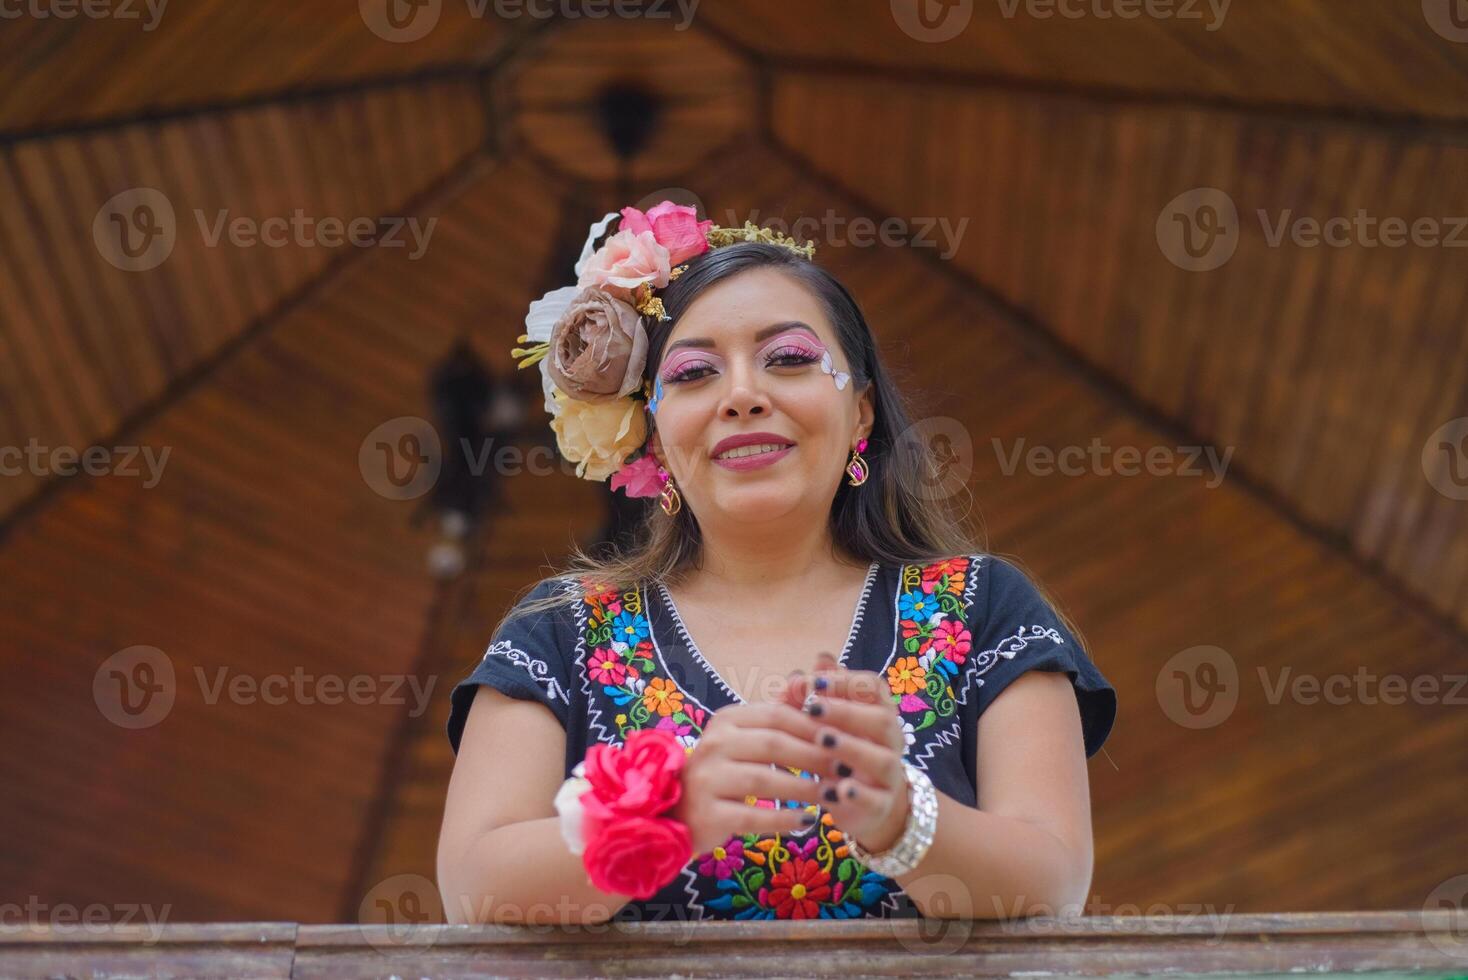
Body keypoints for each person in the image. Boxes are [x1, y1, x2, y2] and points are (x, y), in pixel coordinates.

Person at [437, 203, 1116, 925]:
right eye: (695, 373)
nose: (742, 396)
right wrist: (670, 816)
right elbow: (474, 888)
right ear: (656, 441)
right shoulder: (565, 629)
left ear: (861, 413)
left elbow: (1054, 879)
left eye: (788, 359)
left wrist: (902, 818)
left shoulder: (982, 608)